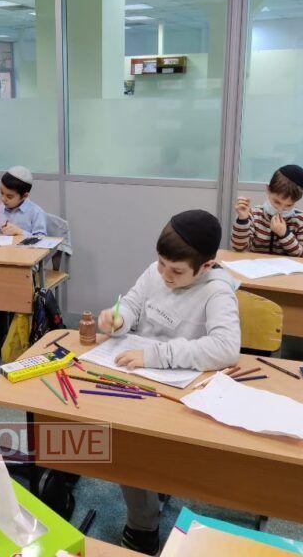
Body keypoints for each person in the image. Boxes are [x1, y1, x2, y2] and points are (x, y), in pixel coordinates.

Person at [97, 210, 241, 555]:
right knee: (118, 434)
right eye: (161, 264)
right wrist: (118, 320)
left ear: (205, 266)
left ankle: (142, 525)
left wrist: (156, 355)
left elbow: (226, 348)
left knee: (129, 446)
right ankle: (147, 500)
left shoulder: (218, 291)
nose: (164, 275)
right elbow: (132, 303)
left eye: (176, 271)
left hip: (182, 390)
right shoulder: (156, 272)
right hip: (141, 377)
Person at [231, 165, 303, 258]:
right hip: (257, 269)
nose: (280, 210)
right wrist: (243, 220)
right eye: (276, 202)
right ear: (268, 189)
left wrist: (284, 234)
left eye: (288, 205)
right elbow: (238, 248)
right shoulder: (254, 214)